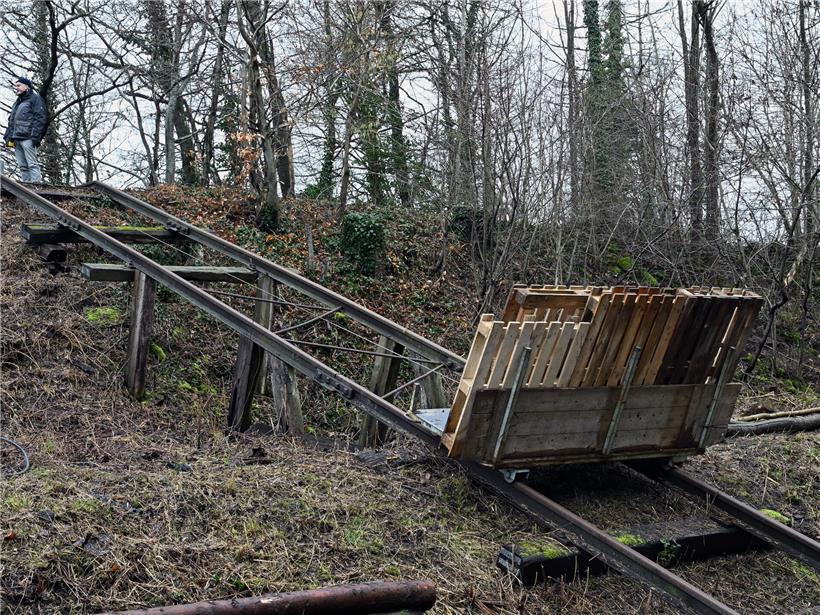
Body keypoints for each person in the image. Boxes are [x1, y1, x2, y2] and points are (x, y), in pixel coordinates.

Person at [3, 77, 47, 183]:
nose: (16, 88)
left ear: (26, 86)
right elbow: (12, 121)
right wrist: (8, 138)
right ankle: (26, 187)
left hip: (28, 138)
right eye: (16, 86)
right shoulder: (17, 102)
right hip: (15, 138)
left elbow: (40, 118)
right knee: (22, 166)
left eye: (18, 85)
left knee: (32, 164)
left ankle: (36, 185)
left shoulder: (35, 99)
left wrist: (34, 137)